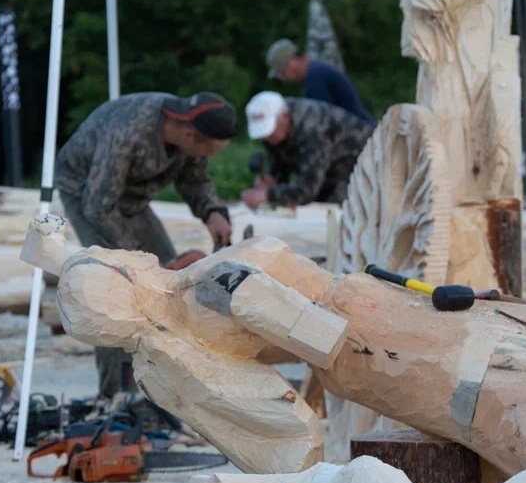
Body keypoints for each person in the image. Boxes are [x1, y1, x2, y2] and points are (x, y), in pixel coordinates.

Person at [54, 90, 238, 398]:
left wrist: (213, 213)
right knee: (115, 291)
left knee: (171, 286)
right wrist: (143, 265)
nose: (206, 159)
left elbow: (195, 180)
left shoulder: (189, 136)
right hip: (87, 192)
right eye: (208, 151)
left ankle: (165, 391)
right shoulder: (129, 130)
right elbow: (98, 207)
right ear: (191, 136)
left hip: (131, 195)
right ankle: (114, 395)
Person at [241, 91, 374, 209]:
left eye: (270, 131)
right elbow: (280, 166)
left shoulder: (312, 130)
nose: (267, 138)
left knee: (333, 213)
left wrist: (267, 195)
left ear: (285, 117)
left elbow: (308, 189)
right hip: (331, 166)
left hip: (361, 166)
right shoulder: (276, 133)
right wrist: (272, 181)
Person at [265, 38, 375, 126]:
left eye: (282, 72)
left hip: (361, 137)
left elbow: (323, 121)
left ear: (293, 60)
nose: (283, 78)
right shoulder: (316, 71)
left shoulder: (315, 77)